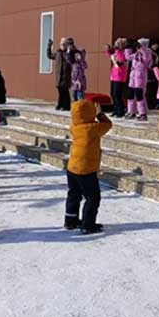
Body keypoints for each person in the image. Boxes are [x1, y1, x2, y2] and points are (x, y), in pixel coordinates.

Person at [64, 99, 112, 234]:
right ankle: (88, 224)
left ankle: (70, 221)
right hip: (86, 170)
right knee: (92, 197)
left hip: (72, 168)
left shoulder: (74, 126)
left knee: (74, 194)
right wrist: (100, 114)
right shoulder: (93, 128)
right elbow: (108, 124)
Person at [125, 38, 152, 121]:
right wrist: (128, 48)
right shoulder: (136, 54)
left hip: (140, 76)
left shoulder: (147, 53)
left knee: (139, 95)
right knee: (130, 94)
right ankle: (131, 111)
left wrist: (142, 49)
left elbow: (147, 61)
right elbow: (128, 57)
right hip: (133, 76)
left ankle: (142, 113)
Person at [47, 37, 75, 111]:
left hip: (66, 75)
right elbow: (49, 55)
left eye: (64, 44)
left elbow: (73, 58)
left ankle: (66, 106)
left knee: (65, 91)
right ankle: (60, 104)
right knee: (60, 90)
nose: (62, 46)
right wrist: (49, 46)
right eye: (61, 44)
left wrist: (71, 47)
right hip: (59, 75)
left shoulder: (69, 53)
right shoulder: (58, 53)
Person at [105, 38, 128, 118]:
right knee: (113, 94)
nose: (115, 46)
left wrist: (117, 50)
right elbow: (110, 56)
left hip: (120, 76)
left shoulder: (123, 52)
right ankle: (115, 110)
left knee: (117, 94)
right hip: (114, 76)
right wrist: (108, 50)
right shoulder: (116, 52)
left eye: (117, 44)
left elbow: (121, 60)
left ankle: (120, 111)